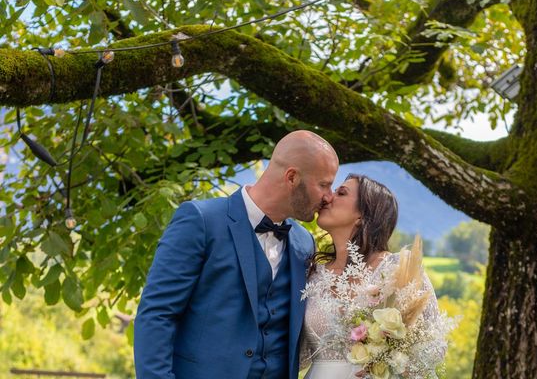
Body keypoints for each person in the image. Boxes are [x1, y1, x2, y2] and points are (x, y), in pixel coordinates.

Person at [134, 130, 339, 379]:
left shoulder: (304, 242)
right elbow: (157, 314)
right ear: (292, 177)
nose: (329, 196)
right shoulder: (201, 221)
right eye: (324, 184)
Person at [300, 174, 444, 378]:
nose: (328, 197)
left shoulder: (399, 269)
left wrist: (389, 356)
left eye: (340, 193)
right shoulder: (312, 274)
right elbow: (295, 354)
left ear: (362, 215)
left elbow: (434, 347)